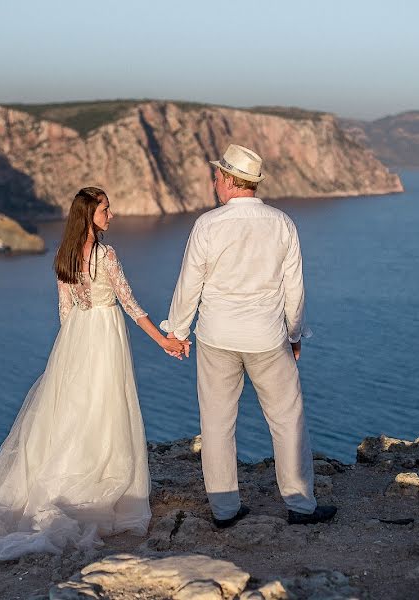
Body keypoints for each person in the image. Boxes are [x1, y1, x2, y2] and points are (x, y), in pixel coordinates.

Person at [0, 187, 189, 562]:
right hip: (104, 335)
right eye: (106, 210)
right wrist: (164, 341)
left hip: (76, 336)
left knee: (72, 411)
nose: (112, 215)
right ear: (89, 215)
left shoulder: (63, 255)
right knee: (105, 409)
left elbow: (64, 310)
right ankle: (97, 484)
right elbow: (130, 304)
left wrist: (67, 354)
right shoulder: (106, 255)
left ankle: (67, 476)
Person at [161, 144, 337, 528]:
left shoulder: (207, 225)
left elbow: (189, 284)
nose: (214, 183)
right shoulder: (282, 223)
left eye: (216, 177)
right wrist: (294, 335)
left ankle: (224, 511)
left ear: (226, 180)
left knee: (217, 423)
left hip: (216, 337)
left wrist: (177, 331)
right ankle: (300, 506)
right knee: (288, 420)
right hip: (267, 337)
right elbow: (295, 290)